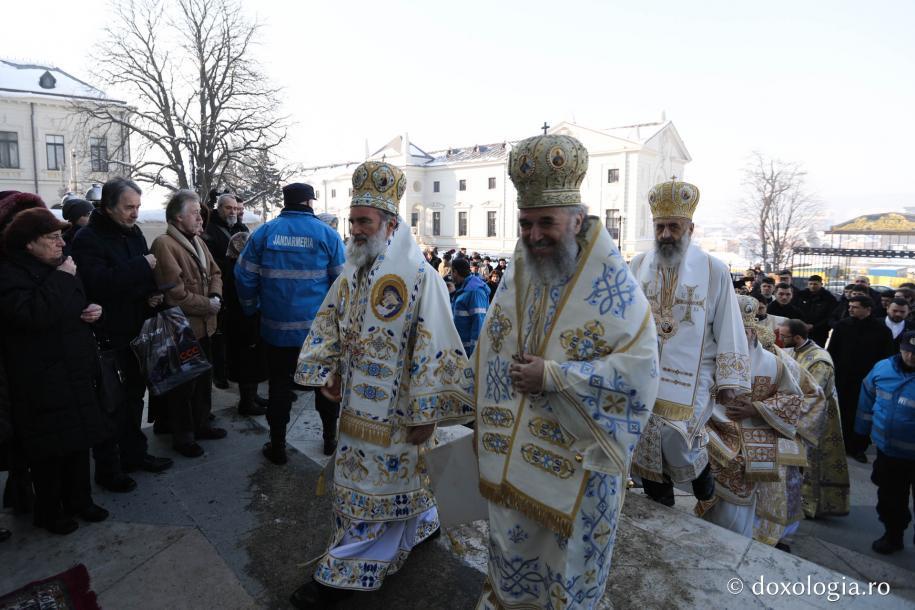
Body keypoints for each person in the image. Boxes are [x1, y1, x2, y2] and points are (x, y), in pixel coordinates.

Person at [472, 133, 658, 610]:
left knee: (566, 568)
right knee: (511, 554)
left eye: (546, 223)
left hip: (579, 463)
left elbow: (638, 375)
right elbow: (489, 350)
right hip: (512, 455)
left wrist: (556, 377)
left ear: (577, 219)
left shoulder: (613, 284)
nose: (534, 235)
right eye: (526, 223)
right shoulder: (520, 269)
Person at [291, 161, 474, 608]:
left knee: (375, 497)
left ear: (389, 225)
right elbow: (333, 324)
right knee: (366, 493)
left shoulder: (421, 277)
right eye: (352, 221)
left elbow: (435, 346)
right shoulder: (352, 272)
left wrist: (427, 415)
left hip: (398, 417)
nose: (353, 229)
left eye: (362, 222)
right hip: (354, 413)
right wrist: (330, 372)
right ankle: (419, 528)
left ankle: (339, 575)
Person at [630, 178, 750, 508]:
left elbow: (729, 323)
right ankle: (659, 500)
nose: (666, 234)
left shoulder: (713, 269)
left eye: (674, 226)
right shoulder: (639, 265)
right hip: (646, 370)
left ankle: (703, 482)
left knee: (678, 437)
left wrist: (730, 380)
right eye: (660, 227)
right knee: (646, 437)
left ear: (690, 228)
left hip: (694, 374)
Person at [0, 208, 110, 534]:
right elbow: (33, 314)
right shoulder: (10, 275)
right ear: (28, 244)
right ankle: (49, 512)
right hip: (41, 378)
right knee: (50, 453)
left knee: (79, 442)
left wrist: (93, 311)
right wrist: (63, 279)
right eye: (51, 237)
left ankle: (81, 500)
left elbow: (75, 303)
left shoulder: (63, 267)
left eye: (61, 235)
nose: (61, 243)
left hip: (75, 368)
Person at [71, 178, 173, 485]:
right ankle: (109, 468)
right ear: (109, 205)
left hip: (136, 329)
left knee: (134, 398)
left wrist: (151, 294)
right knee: (109, 405)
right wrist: (142, 267)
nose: (135, 213)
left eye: (138, 207)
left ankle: (135, 453)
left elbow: (140, 277)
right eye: (129, 207)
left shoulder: (133, 232)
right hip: (107, 335)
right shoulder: (88, 238)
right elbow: (98, 283)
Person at [235, 183, 344, 461]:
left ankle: (278, 446)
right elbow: (343, 285)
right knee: (325, 385)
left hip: (276, 330)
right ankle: (330, 440)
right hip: (318, 333)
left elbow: (244, 276)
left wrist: (252, 309)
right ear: (309, 202)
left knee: (279, 387)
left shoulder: (264, 233)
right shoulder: (327, 234)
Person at [697, 295, 802, 538]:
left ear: (754, 333)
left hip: (754, 443)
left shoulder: (774, 365)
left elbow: (793, 399)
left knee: (735, 515)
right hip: (712, 434)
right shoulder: (710, 361)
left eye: (744, 333)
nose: (739, 340)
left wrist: (757, 409)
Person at [150, 190, 225, 458]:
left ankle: (202, 424)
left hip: (205, 326)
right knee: (183, 387)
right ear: (178, 216)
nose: (201, 220)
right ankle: (184, 437)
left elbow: (216, 272)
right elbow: (174, 294)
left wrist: (215, 296)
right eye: (195, 213)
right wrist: (208, 304)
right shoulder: (164, 244)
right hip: (183, 330)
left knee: (203, 381)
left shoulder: (198, 242)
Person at [779, 318, 850, 518]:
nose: (781, 339)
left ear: (798, 337)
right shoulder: (793, 351)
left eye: (784, 336)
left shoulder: (820, 360)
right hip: (796, 414)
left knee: (814, 463)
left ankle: (812, 504)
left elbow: (813, 394)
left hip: (817, 419)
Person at [855, 331, 915, 554]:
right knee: (890, 498)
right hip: (889, 452)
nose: (911, 357)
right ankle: (893, 535)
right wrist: (861, 432)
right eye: (908, 351)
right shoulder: (882, 368)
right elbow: (866, 399)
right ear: (900, 348)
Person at [828, 295, 895, 462]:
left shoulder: (881, 330)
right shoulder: (842, 326)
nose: (850, 309)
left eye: (855, 307)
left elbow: (886, 357)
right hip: (843, 378)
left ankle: (857, 448)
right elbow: (831, 352)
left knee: (863, 415)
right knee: (841, 412)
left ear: (868, 309)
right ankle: (838, 446)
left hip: (867, 381)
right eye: (849, 306)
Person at [201, 192, 249, 392]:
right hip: (220, 289)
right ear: (219, 208)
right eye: (229, 208)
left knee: (237, 335)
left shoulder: (242, 227)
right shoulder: (209, 229)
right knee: (219, 336)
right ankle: (219, 374)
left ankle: (234, 371)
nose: (233, 212)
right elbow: (209, 262)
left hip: (240, 289)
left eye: (236, 208)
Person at [450, 258, 489, 356]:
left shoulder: (474, 291)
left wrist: (474, 356)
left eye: (451, 272)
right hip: (459, 349)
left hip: (468, 353)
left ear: (455, 271)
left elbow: (479, 323)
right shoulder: (464, 288)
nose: (450, 275)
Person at [796, 275, 837, 347]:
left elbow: (829, 316)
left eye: (815, 284)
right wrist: (802, 324)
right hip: (800, 330)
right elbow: (796, 311)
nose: (812, 286)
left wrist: (813, 326)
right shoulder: (800, 295)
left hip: (820, 333)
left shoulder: (829, 298)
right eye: (810, 284)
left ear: (821, 284)